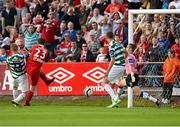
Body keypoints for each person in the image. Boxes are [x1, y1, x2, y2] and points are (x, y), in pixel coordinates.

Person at [25, 38, 54, 106]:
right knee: (32, 87)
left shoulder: (34, 46)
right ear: (44, 43)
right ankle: (26, 103)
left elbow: (30, 53)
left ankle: (46, 81)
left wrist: (28, 52)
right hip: (35, 70)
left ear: (37, 42)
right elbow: (45, 60)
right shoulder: (46, 51)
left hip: (28, 67)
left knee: (39, 69)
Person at [101, 32, 125, 108]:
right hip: (123, 65)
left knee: (104, 82)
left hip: (117, 66)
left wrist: (107, 72)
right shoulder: (118, 43)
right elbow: (126, 52)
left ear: (106, 37)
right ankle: (115, 104)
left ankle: (115, 98)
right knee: (111, 84)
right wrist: (124, 60)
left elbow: (113, 59)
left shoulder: (111, 45)